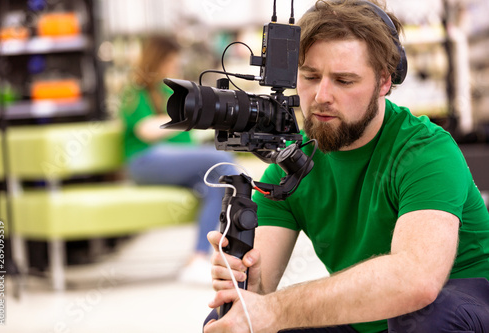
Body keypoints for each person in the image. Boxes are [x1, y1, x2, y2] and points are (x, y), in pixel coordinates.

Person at [204, 0, 489, 332]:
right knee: (228, 322)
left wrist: (276, 310)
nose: (322, 95)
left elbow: (416, 281)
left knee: (424, 317)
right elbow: (260, 290)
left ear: (384, 82)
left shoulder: (425, 150)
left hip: (462, 304)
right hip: (372, 318)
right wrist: (244, 281)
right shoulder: (289, 168)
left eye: (344, 80)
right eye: (310, 76)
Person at [119, 35, 236, 285]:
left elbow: (186, 139)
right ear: (158, 59)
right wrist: (185, 119)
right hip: (146, 162)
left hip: (172, 162)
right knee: (222, 161)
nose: (176, 64)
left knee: (218, 182)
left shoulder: (170, 90)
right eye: (171, 59)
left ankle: (197, 259)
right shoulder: (136, 89)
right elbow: (145, 130)